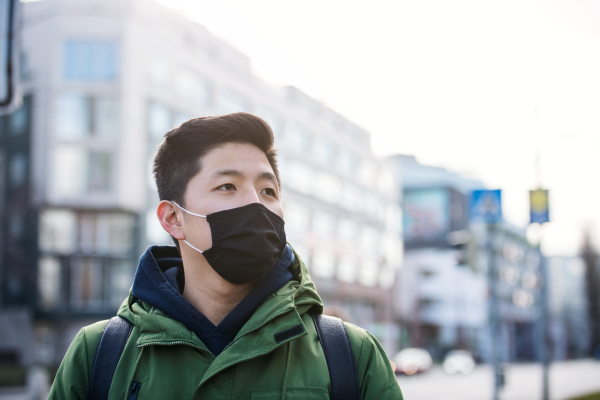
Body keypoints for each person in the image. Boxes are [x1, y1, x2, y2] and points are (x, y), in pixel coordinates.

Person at [48, 113, 403, 399]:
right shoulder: (99, 355)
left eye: (268, 190)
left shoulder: (348, 354)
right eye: (227, 186)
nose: (255, 202)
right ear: (173, 218)